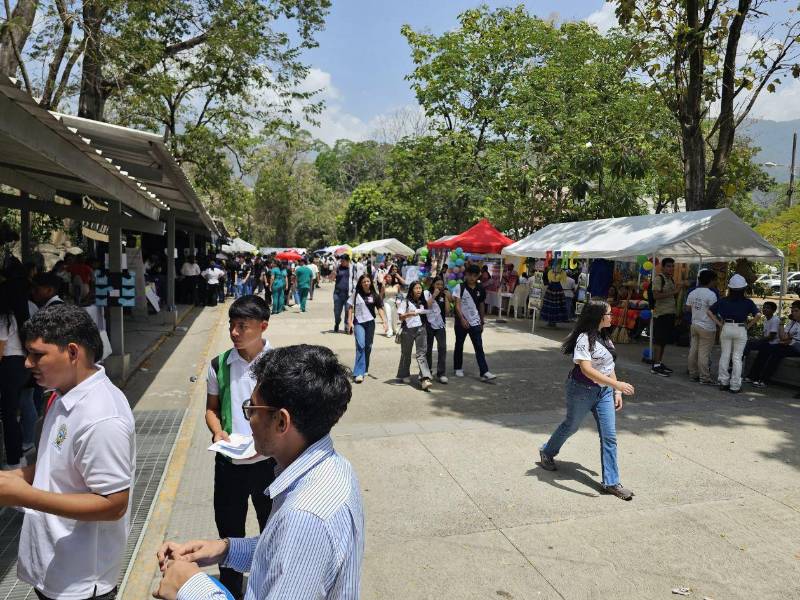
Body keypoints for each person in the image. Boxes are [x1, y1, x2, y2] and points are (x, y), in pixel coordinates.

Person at [154, 345, 363, 600]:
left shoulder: (304, 517)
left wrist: (188, 585)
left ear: (282, 422)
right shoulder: (334, 467)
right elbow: (282, 553)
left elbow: (294, 543)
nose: (248, 418)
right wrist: (225, 549)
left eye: (252, 408)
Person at [0, 305, 134, 599]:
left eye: (37, 354)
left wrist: (22, 495)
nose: (27, 363)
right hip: (54, 567)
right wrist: (18, 477)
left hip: (81, 582)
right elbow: (55, 463)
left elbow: (113, 504)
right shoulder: (62, 394)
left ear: (73, 352)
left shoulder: (101, 417)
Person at [205, 296, 276, 598]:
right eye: (232, 326)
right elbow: (211, 409)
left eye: (242, 326)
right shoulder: (218, 364)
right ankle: (231, 590)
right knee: (229, 531)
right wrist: (218, 430)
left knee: (271, 530)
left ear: (262, 327)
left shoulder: (277, 365)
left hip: (268, 464)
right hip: (229, 464)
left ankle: (269, 585)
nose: (234, 332)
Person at [538, 300, 636, 500]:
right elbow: (586, 369)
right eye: (609, 313)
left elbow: (609, 366)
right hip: (581, 390)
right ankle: (547, 451)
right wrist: (617, 385)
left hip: (604, 393)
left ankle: (611, 482)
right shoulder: (584, 339)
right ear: (599, 316)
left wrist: (615, 391)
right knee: (571, 425)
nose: (612, 316)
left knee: (609, 436)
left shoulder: (606, 338)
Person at [706, 274, 760, 393]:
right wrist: (749, 326)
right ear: (743, 288)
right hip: (741, 328)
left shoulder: (723, 300)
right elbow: (758, 315)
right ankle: (735, 385)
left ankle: (723, 382)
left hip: (726, 327)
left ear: (730, 288)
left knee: (725, 355)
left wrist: (719, 324)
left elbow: (709, 312)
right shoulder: (748, 302)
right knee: (737, 357)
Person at [0, 287, 29, 469]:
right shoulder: (13, 315)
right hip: (18, 366)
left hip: (9, 367)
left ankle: (13, 462)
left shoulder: (3, 318)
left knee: (9, 415)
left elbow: (0, 351)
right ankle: (17, 457)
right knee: (13, 414)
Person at [453, 264, 496, 381]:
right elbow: (457, 305)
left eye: (474, 275)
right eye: (469, 275)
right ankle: (458, 367)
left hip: (475, 322)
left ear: (478, 276)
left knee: (479, 347)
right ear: (466, 275)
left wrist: (482, 321)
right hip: (461, 322)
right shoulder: (459, 287)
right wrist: (462, 319)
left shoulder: (480, 288)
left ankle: (484, 372)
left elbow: (481, 305)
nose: (471, 277)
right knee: (459, 345)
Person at [745, 300, 800, 388]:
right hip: (789, 345)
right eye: (792, 311)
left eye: (796, 311)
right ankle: (754, 377)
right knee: (766, 349)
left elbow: (785, 338)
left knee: (776, 353)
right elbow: (783, 337)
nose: (793, 313)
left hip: (797, 348)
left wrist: (789, 339)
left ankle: (764, 380)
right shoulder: (793, 322)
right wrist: (781, 324)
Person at [347, 274, 388, 383]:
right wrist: (349, 321)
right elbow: (350, 307)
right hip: (358, 323)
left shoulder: (375, 295)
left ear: (371, 283)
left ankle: (365, 368)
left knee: (368, 346)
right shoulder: (356, 294)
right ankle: (358, 373)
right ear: (361, 283)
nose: (366, 283)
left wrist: (384, 321)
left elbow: (380, 308)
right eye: (364, 281)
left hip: (370, 323)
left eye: (368, 281)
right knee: (361, 345)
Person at [397, 281, 434, 391]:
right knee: (406, 353)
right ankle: (404, 374)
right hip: (407, 330)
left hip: (421, 329)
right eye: (416, 288)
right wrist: (410, 314)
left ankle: (424, 379)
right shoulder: (406, 302)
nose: (419, 290)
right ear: (412, 290)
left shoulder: (424, 302)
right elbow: (400, 317)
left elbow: (428, 312)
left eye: (420, 288)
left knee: (421, 354)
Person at [650, 258, 684, 377]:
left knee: (664, 340)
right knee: (659, 340)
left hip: (670, 313)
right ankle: (655, 365)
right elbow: (656, 295)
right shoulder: (659, 279)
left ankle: (659, 362)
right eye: (669, 266)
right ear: (663, 267)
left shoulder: (670, 279)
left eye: (672, 266)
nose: (671, 268)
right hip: (661, 314)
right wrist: (674, 292)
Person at [684, 269, 718, 385]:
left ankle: (693, 373)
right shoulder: (711, 294)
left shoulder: (692, 292)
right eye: (714, 280)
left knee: (693, 350)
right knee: (704, 353)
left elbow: (688, 308)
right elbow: (714, 310)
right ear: (711, 281)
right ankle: (704, 377)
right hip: (707, 327)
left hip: (694, 324)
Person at [425, 277, 450, 384]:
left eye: (441, 284)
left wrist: (448, 298)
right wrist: (434, 295)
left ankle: (441, 373)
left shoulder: (444, 295)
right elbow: (427, 305)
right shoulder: (427, 293)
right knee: (428, 349)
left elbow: (448, 312)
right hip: (429, 325)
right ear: (433, 284)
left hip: (440, 325)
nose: (440, 286)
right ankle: (427, 372)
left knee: (442, 347)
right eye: (437, 284)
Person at [333, 255, 357, 333]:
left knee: (348, 311)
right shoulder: (338, 268)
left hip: (349, 294)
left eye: (343, 261)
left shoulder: (353, 268)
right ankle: (337, 322)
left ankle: (347, 327)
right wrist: (333, 273)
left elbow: (356, 279)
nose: (341, 262)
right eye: (341, 261)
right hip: (338, 293)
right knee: (337, 311)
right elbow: (331, 278)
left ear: (348, 261)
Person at [381, 264, 405, 338]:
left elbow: (400, 294)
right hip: (386, 301)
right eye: (387, 277)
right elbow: (381, 295)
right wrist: (383, 286)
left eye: (390, 277)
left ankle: (394, 329)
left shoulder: (397, 285)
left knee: (395, 317)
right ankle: (389, 331)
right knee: (388, 316)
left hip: (395, 302)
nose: (389, 278)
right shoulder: (384, 285)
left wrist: (400, 302)